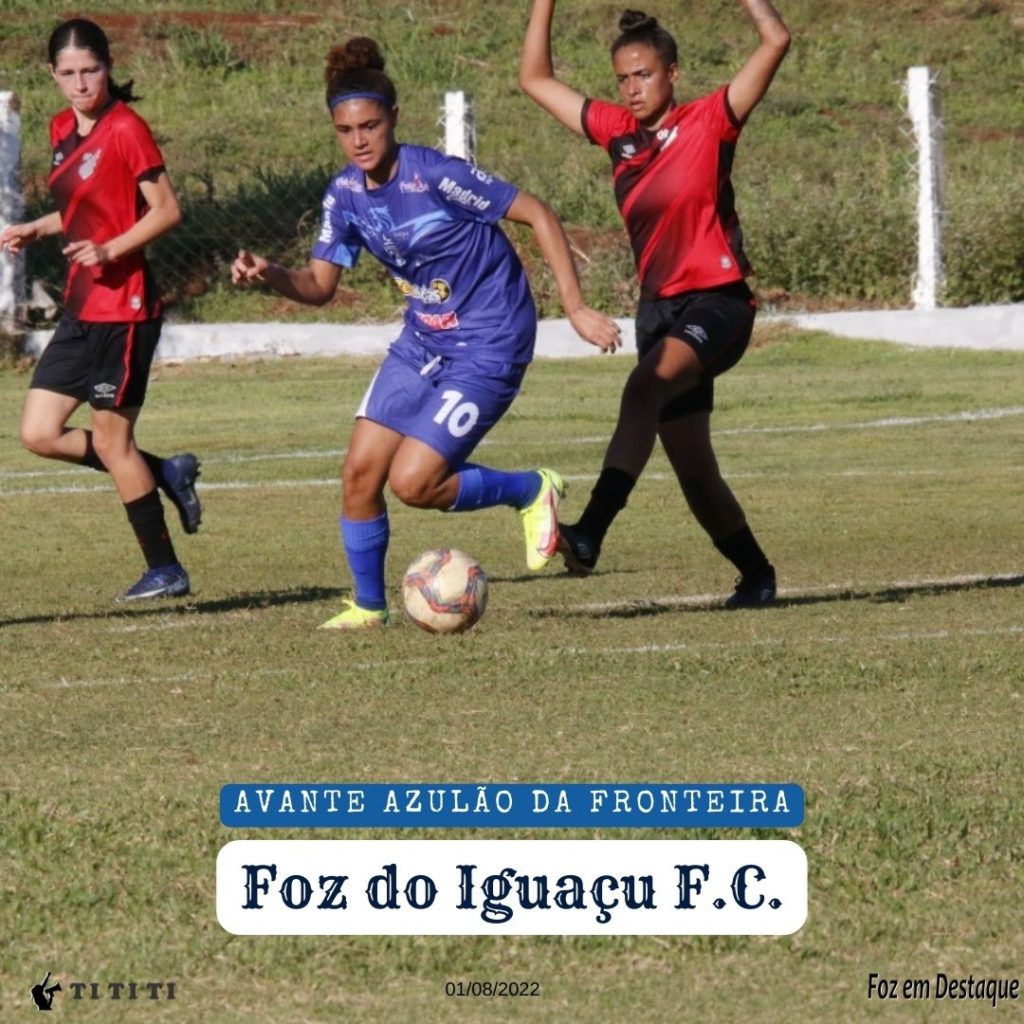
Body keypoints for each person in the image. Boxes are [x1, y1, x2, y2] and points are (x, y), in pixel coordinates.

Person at [232, 36, 621, 630]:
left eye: (370, 125)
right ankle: (368, 605)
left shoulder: (435, 176)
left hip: (491, 338)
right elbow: (319, 285)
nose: (359, 139)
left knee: (413, 482)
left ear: (393, 120)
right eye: (345, 129)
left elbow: (538, 212)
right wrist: (270, 274)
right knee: (360, 473)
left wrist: (573, 306)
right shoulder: (344, 196)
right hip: (424, 340)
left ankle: (529, 490)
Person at [520, 2, 790, 607]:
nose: (632, 88)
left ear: (673, 73)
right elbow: (534, 80)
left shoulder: (711, 119)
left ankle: (589, 533)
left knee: (643, 388)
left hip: (719, 304)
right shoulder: (617, 131)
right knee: (694, 469)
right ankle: (756, 574)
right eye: (622, 78)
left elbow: (776, 38)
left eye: (643, 74)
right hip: (659, 312)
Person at [1, 18, 201, 602]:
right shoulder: (62, 125)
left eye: (91, 70)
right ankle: (163, 471)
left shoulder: (126, 128)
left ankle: (166, 569)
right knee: (38, 432)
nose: (81, 83)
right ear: (52, 75)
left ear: (108, 66)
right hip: (81, 306)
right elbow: (88, 203)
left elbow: (166, 210)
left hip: (127, 309)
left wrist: (112, 248)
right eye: (68, 73)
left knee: (115, 444)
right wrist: (40, 226)